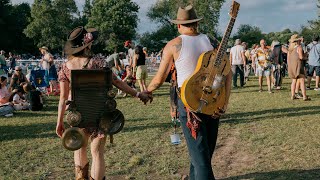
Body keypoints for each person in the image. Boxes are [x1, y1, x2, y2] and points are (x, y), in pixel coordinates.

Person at [145, 5, 232, 179]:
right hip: (214, 102)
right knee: (202, 154)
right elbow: (227, 72)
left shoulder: (173, 45)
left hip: (190, 105)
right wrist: (225, 101)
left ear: (178, 25)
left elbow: (159, 78)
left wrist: (146, 91)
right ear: (196, 23)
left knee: (201, 159)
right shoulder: (212, 41)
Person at [56, 26, 152, 180]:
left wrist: (59, 122)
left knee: (79, 149)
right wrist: (138, 94)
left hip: (77, 115)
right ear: (87, 44)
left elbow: (62, 98)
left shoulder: (65, 67)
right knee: (98, 153)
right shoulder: (99, 62)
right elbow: (117, 82)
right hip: (101, 114)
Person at [287, 34, 310, 101]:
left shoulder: (290, 49)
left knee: (293, 81)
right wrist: (306, 56)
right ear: (298, 41)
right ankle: (304, 96)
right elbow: (301, 57)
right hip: (298, 65)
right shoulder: (299, 47)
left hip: (291, 66)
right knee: (302, 80)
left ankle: (293, 95)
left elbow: (288, 59)